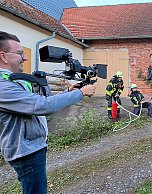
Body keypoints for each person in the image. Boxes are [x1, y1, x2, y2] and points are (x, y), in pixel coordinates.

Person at [0, 31, 95, 194]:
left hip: (31, 146)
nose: (25, 57)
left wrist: (68, 91)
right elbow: (42, 106)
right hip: (25, 150)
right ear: (3, 56)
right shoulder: (3, 85)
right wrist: (81, 93)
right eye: (20, 53)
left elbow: (39, 101)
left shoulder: (12, 80)